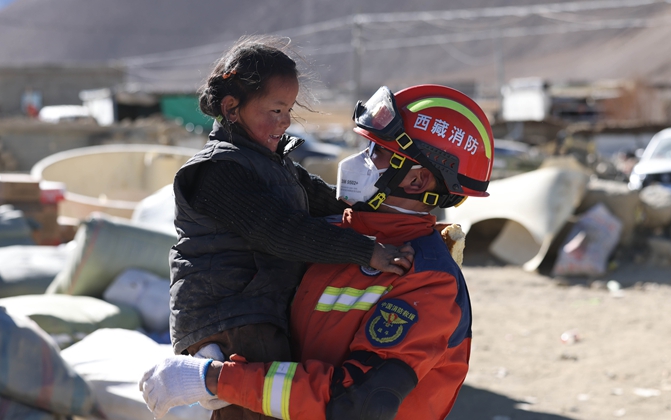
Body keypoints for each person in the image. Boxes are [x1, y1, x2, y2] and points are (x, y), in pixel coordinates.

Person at [141, 84, 494, 419]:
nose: (360, 160)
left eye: (379, 153)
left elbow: (358, 404)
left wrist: (216, 379)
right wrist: (211, 346)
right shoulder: (331, 235)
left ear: (417, 181)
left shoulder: (426, 280)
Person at [169, 36, 415, 419]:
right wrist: (367, 251)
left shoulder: (275, 166)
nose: (285, 121)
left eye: (289, 109)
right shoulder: (216, 171)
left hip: (259, 312)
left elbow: (331, 204)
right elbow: (282, 232)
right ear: (232, 108)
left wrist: (397, 219)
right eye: (275, 109)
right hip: (230, 319)